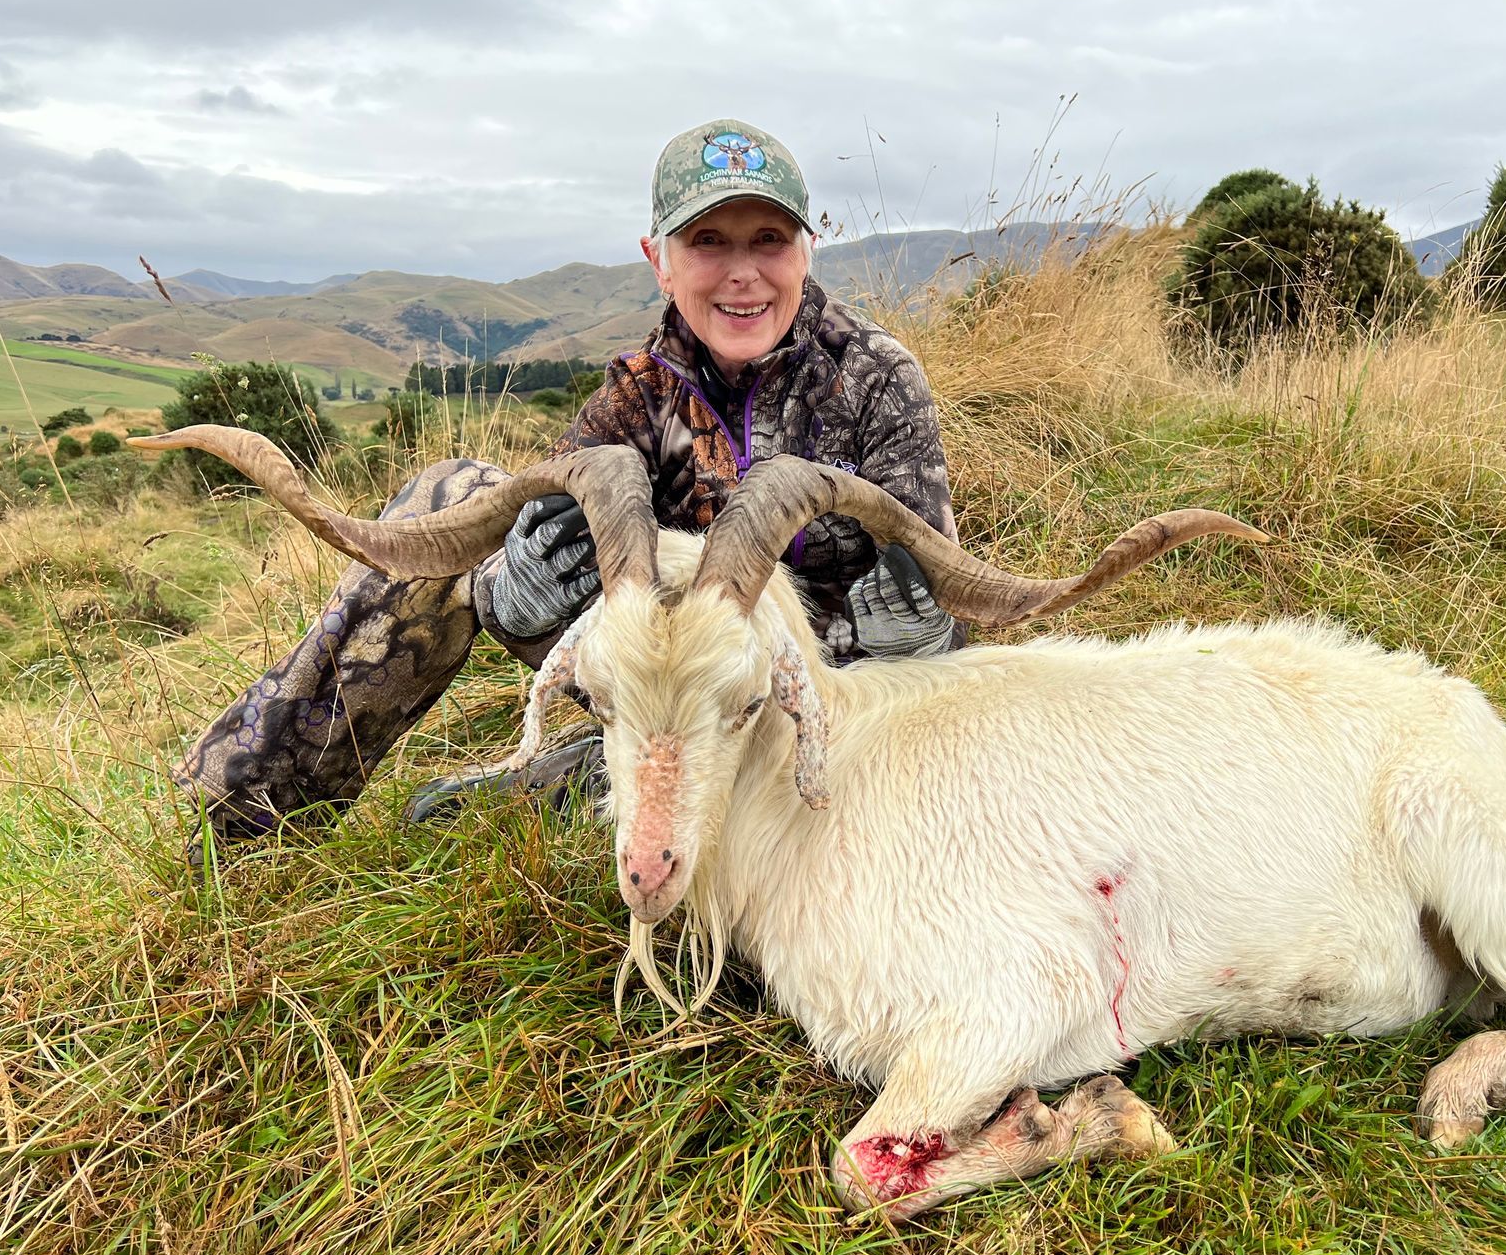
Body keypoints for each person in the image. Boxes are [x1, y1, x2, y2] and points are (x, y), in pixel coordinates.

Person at [176, 119, 963, 845]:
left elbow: (949, 604)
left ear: (806, 250)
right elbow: (553, 581)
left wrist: (922, 639)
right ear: (660, 261)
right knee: (448, 499)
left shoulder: (876, 378)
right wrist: (512, 598)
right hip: (664, 688)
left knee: (515, 816)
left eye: (769, 239)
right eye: (707, 242)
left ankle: (578, 791)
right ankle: (248, 820)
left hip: (828, 714)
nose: (743, 274)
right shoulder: (632, 398)